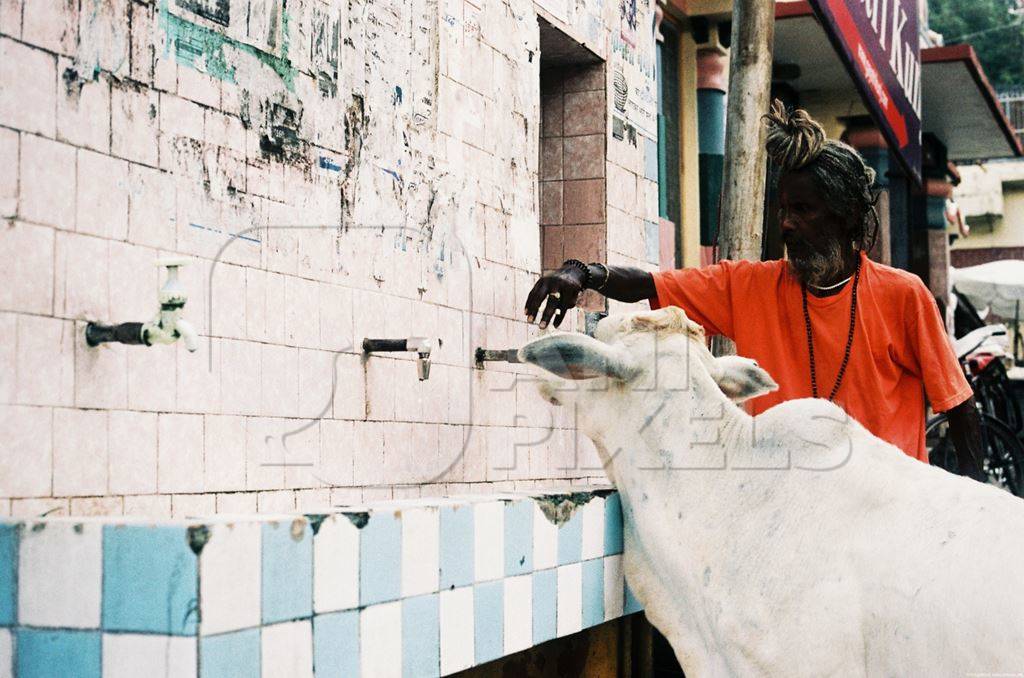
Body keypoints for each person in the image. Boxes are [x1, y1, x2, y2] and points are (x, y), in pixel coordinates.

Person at [524, 100, 985, 480]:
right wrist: (581, 272)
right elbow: (648, 283)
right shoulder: (749, 285)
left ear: (844, 216)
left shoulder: (903, 296)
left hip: (884, 516)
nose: (786, 223)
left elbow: (960, 409)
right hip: (786, 517)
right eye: (784, 209)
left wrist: (969, 508)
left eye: (803, 209)